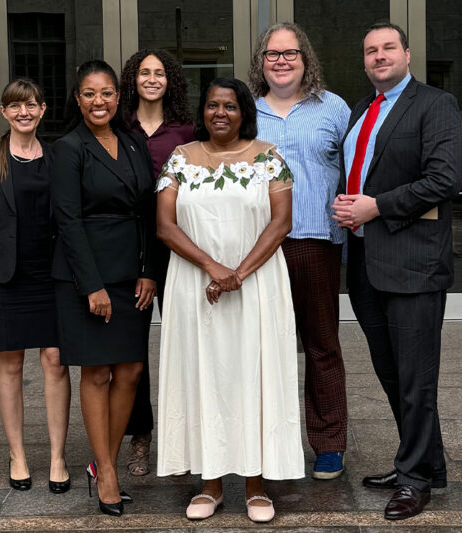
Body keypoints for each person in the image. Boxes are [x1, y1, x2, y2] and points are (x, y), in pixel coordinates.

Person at [156, 78, 305, 523]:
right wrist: (213, 267)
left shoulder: (269, 157)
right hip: (195, 286)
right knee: (204, 375)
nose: (220, 113)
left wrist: (237, 273)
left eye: (230, 106)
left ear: (244, 111)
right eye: (212, 106)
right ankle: (211, 483)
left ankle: (256, 484)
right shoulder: (180, 158)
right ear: (202, 112)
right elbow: (165, 225)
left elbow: (281, 224)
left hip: (257, 285)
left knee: (252, 375)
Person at [331, 22, 462, 520]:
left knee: (415, 378)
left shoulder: (435, 105)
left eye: (388, 48)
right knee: (391, 374)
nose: (379, 56)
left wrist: (375, 208)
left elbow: (444, 179)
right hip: (365, 263)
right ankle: (428, 462)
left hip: (413, 263)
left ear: (407, 54)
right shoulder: (362, 110)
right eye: (370, 51)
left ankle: (413, 480)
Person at [50, 59, 158, 517]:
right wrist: (90, 285)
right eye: (90, 94)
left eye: (108, 93)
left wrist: (150, 270)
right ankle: (109, 474)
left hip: (131, 275)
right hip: (86, 276)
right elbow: (68, 221)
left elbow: (149, 212)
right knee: (96, 373)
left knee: (131, 371)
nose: (100, 101)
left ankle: (103, 460)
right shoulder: (68, 147)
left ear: (119, 97)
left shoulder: (133, 144)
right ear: (78, 99)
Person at [249, 22, 350, 480]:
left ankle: (328, 444)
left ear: (305, 58)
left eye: (290, 53)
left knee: (322, 345)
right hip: (258, 248)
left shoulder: (334, 109)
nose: (282, 61)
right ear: (261, 62)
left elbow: (356, 169)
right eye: (273, 54)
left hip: (315, 242)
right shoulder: (246, 112)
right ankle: (263, 439)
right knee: (258, 347)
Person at [0, 79, 71, 494]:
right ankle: (18, 456)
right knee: (9, 364)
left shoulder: (58, 157)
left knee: (55, 361)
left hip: (51, 275)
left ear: (43, 110)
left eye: (31, 105)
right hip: (4, 279)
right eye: (15, 106)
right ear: (4, 112)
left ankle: (58, 457)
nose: (23, 112)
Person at [119, 48, 195, 477]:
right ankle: (141, 435)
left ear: (171, 81)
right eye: (144, 72)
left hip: (176, 245)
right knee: (135, 350)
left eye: (160, 73)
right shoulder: (116, 125)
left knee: (183, 340)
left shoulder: (186, 131)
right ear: (134, 79)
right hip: (129, 249)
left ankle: (185, 435)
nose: (151, 79)